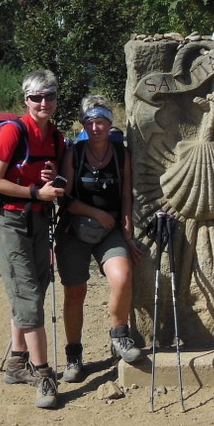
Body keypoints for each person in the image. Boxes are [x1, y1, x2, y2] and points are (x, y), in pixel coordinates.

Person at [0, 69, 66, 409]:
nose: (43, 102)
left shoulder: (55, 136)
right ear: (26, 100)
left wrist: (52, 177)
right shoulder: (12, 131)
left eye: (49, 96)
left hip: (38, 217)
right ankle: (43, 373)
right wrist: (36, 191)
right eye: (36, 97)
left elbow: (59, 180)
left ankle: (17, 363)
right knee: (28, 294)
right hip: (11, 219)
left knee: (33, 286)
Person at [55, 95, 144, 383]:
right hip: (74, 229)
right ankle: (73, 355)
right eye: (90, 122)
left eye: (101, 121)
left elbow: (127, 195)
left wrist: (128, 236)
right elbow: (64, 199)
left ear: (109, 123)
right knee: (75, 292)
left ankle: (119, 335)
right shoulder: (74, 153)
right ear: (83, 124)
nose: (96, 127)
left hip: (110, 230)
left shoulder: (121, 154)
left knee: (122, 276)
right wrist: (94, 212)